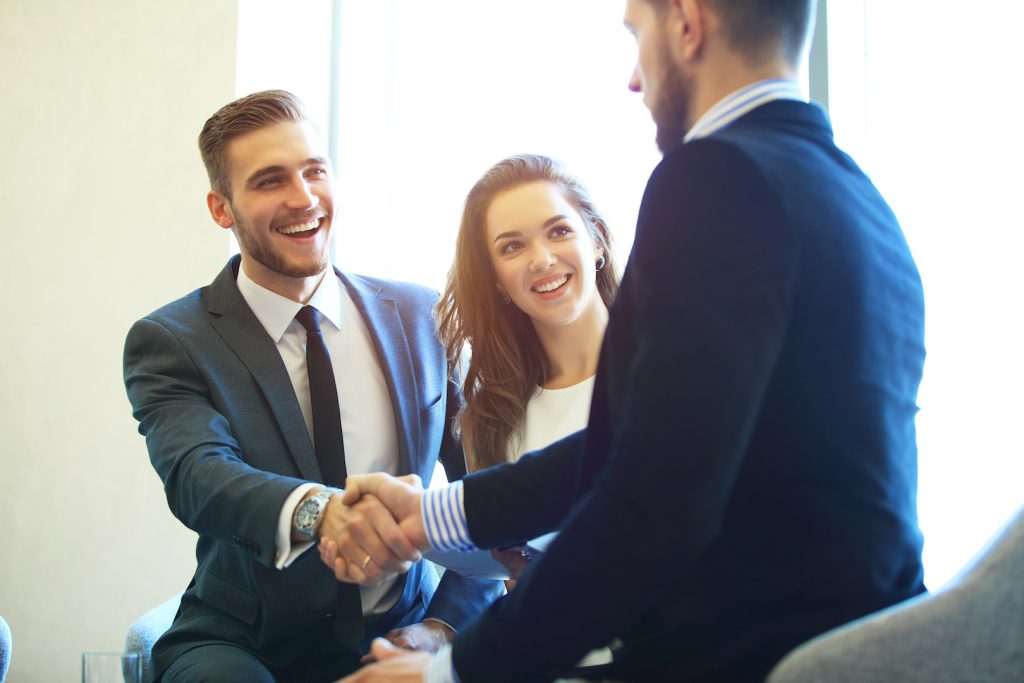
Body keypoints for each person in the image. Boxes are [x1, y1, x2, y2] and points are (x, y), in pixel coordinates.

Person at [327, 0, 928, 680]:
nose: (635, 79)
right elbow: (640, 448)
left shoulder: (715, 177)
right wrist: (429, 513)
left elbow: (652, 500)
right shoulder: (856, 195)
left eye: (636, 34)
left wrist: (453, 671)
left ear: (687, 22)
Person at [122, 90, 500, 682]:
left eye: (315, 170)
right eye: (270, 180)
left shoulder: (422, 318)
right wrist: (322, 513)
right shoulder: (173, 340)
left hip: (407, 629)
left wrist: (440, 629)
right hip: (245, 643)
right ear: (222, 209)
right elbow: (200, 477)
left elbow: (492, 489)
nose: (302, 197)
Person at [433, 154, 619, 582]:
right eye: (512, 246)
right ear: (496, 279)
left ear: (596, 241)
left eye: (559, 231)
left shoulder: (669, 372)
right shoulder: (491, 422)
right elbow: (513, 583)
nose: (542, 259)